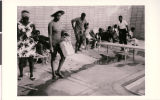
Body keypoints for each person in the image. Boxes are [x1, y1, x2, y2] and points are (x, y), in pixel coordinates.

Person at [17, 10, 36, 80]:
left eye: (27, 17)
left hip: (30, 45)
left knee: (31, 60)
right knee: (21, 60)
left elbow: (35, 33)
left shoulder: (32, 24)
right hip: (21, 45)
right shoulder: (18, 24)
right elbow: (15, 35)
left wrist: (32, 35)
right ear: (22, 17)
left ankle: (31, 74)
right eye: (25, 17)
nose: (26, 19)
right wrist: (22, 34)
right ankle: (21, 74)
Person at [48, 10, 66, 80]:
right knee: (53, 58)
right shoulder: (51, 24)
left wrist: (64, 34)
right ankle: (53, 74)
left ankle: (58, 71)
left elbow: (62, 32)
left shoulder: (61, 23)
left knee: (64, 56)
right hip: (54, 44)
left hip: (60, 43)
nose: (59, 17)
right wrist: (50, 46)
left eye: (60, 15)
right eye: (58, 15)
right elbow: (49, 35)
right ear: (54, 15)